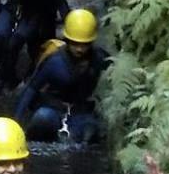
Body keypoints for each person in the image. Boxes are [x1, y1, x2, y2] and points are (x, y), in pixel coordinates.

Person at [14, 8, 110, 143]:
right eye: (75, 44)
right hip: (53, 111)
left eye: (84, 44)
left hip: (80, 113)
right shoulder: (54, 62)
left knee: (91, 132)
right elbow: (31, 89)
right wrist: (15, 123)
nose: (79, 49)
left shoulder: (98, 58)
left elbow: (117, 70)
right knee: (41, 119)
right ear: (67, 40)